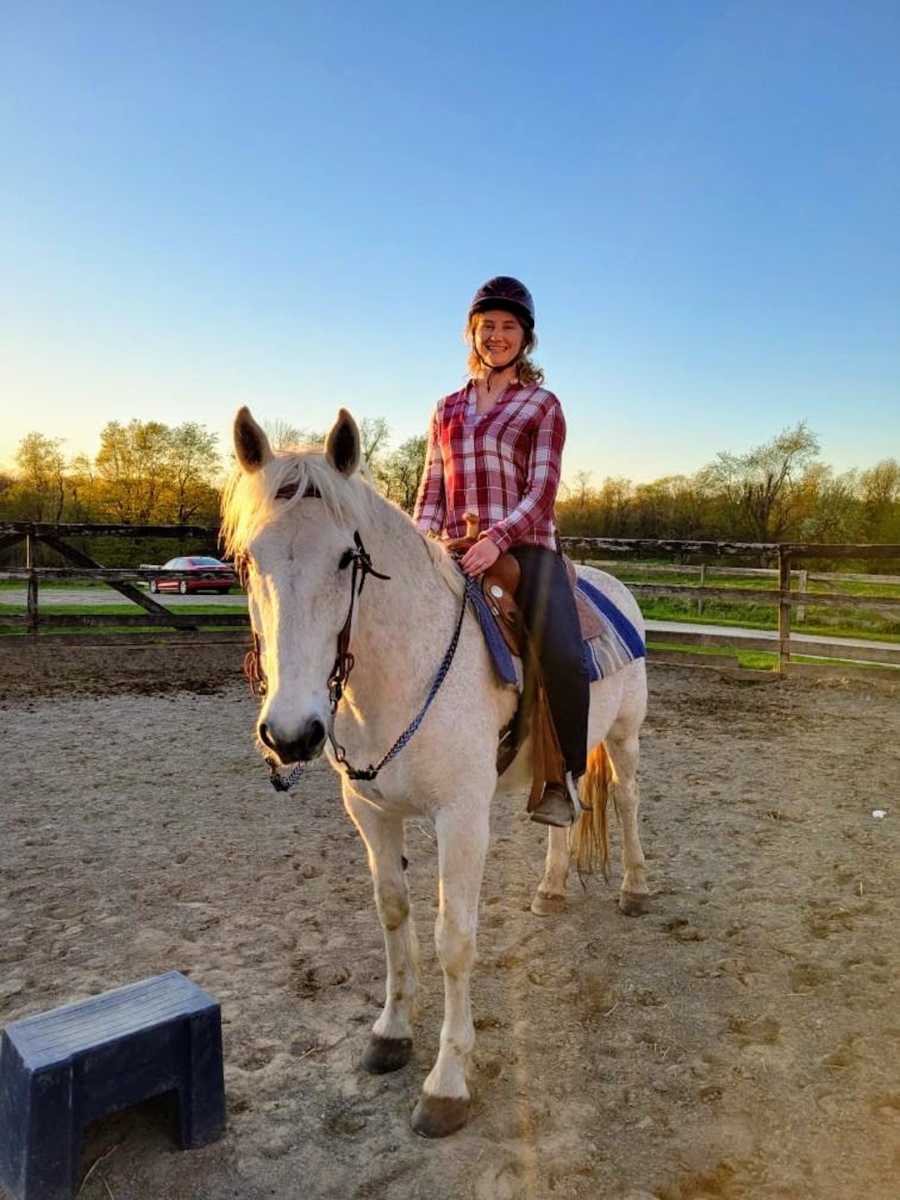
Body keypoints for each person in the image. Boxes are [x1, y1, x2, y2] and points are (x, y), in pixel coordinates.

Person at [413, 276, 589, 826]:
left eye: (509, 327)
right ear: (472, 332)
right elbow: (430, 490)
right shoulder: (445, 408)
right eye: (487, 326)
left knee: (562, 652)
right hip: (453, 550)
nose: (497, 336)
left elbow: (541, 493)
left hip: (524, 549)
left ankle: (563, 777)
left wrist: (496, 539)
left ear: (525, 339)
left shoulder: (542, 405)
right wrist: (420, 548)